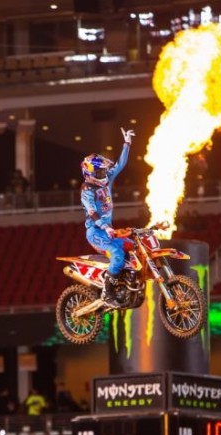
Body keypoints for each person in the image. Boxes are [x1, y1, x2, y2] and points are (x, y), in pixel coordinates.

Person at [80, 127, 136, 307]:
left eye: (104, 171)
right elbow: (92, 212)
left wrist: (127, 143)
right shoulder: (87, 190)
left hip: (108, 230)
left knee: (133, 246)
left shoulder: (106, 179)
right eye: (99, 173)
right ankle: (107, 293)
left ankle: (126, 283)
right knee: (118, 254)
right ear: (89, 173)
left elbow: (120, 164)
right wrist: (105, 227)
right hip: (96, 232)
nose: (104, 175)